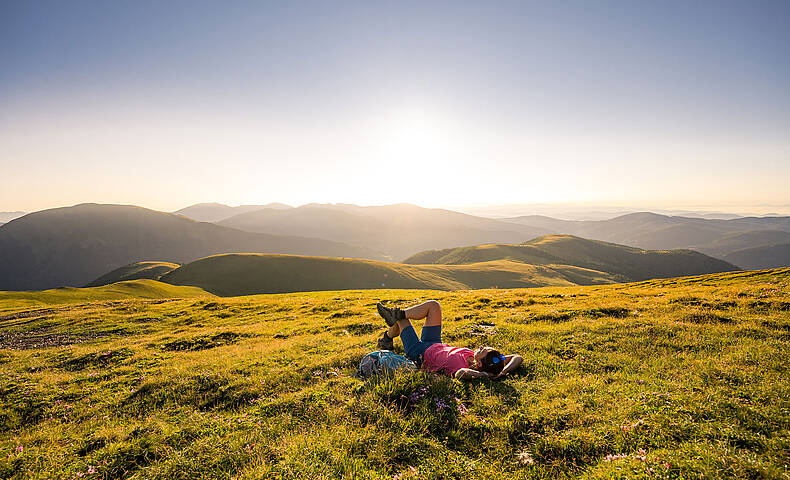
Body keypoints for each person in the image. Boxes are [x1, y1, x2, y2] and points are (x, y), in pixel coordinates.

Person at [375, 300, 523, 380]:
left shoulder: (461, 366)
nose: (481, 347)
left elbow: (461, 374)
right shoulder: (486, 361)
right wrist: (501, 372)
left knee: (402, 321)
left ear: (479, 364)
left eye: (482, 350)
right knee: (434, 306)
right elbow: (518, 357)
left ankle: (388, 337)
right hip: (434, 343)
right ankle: (396, 315)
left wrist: (484, 375)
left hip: (419, 352)